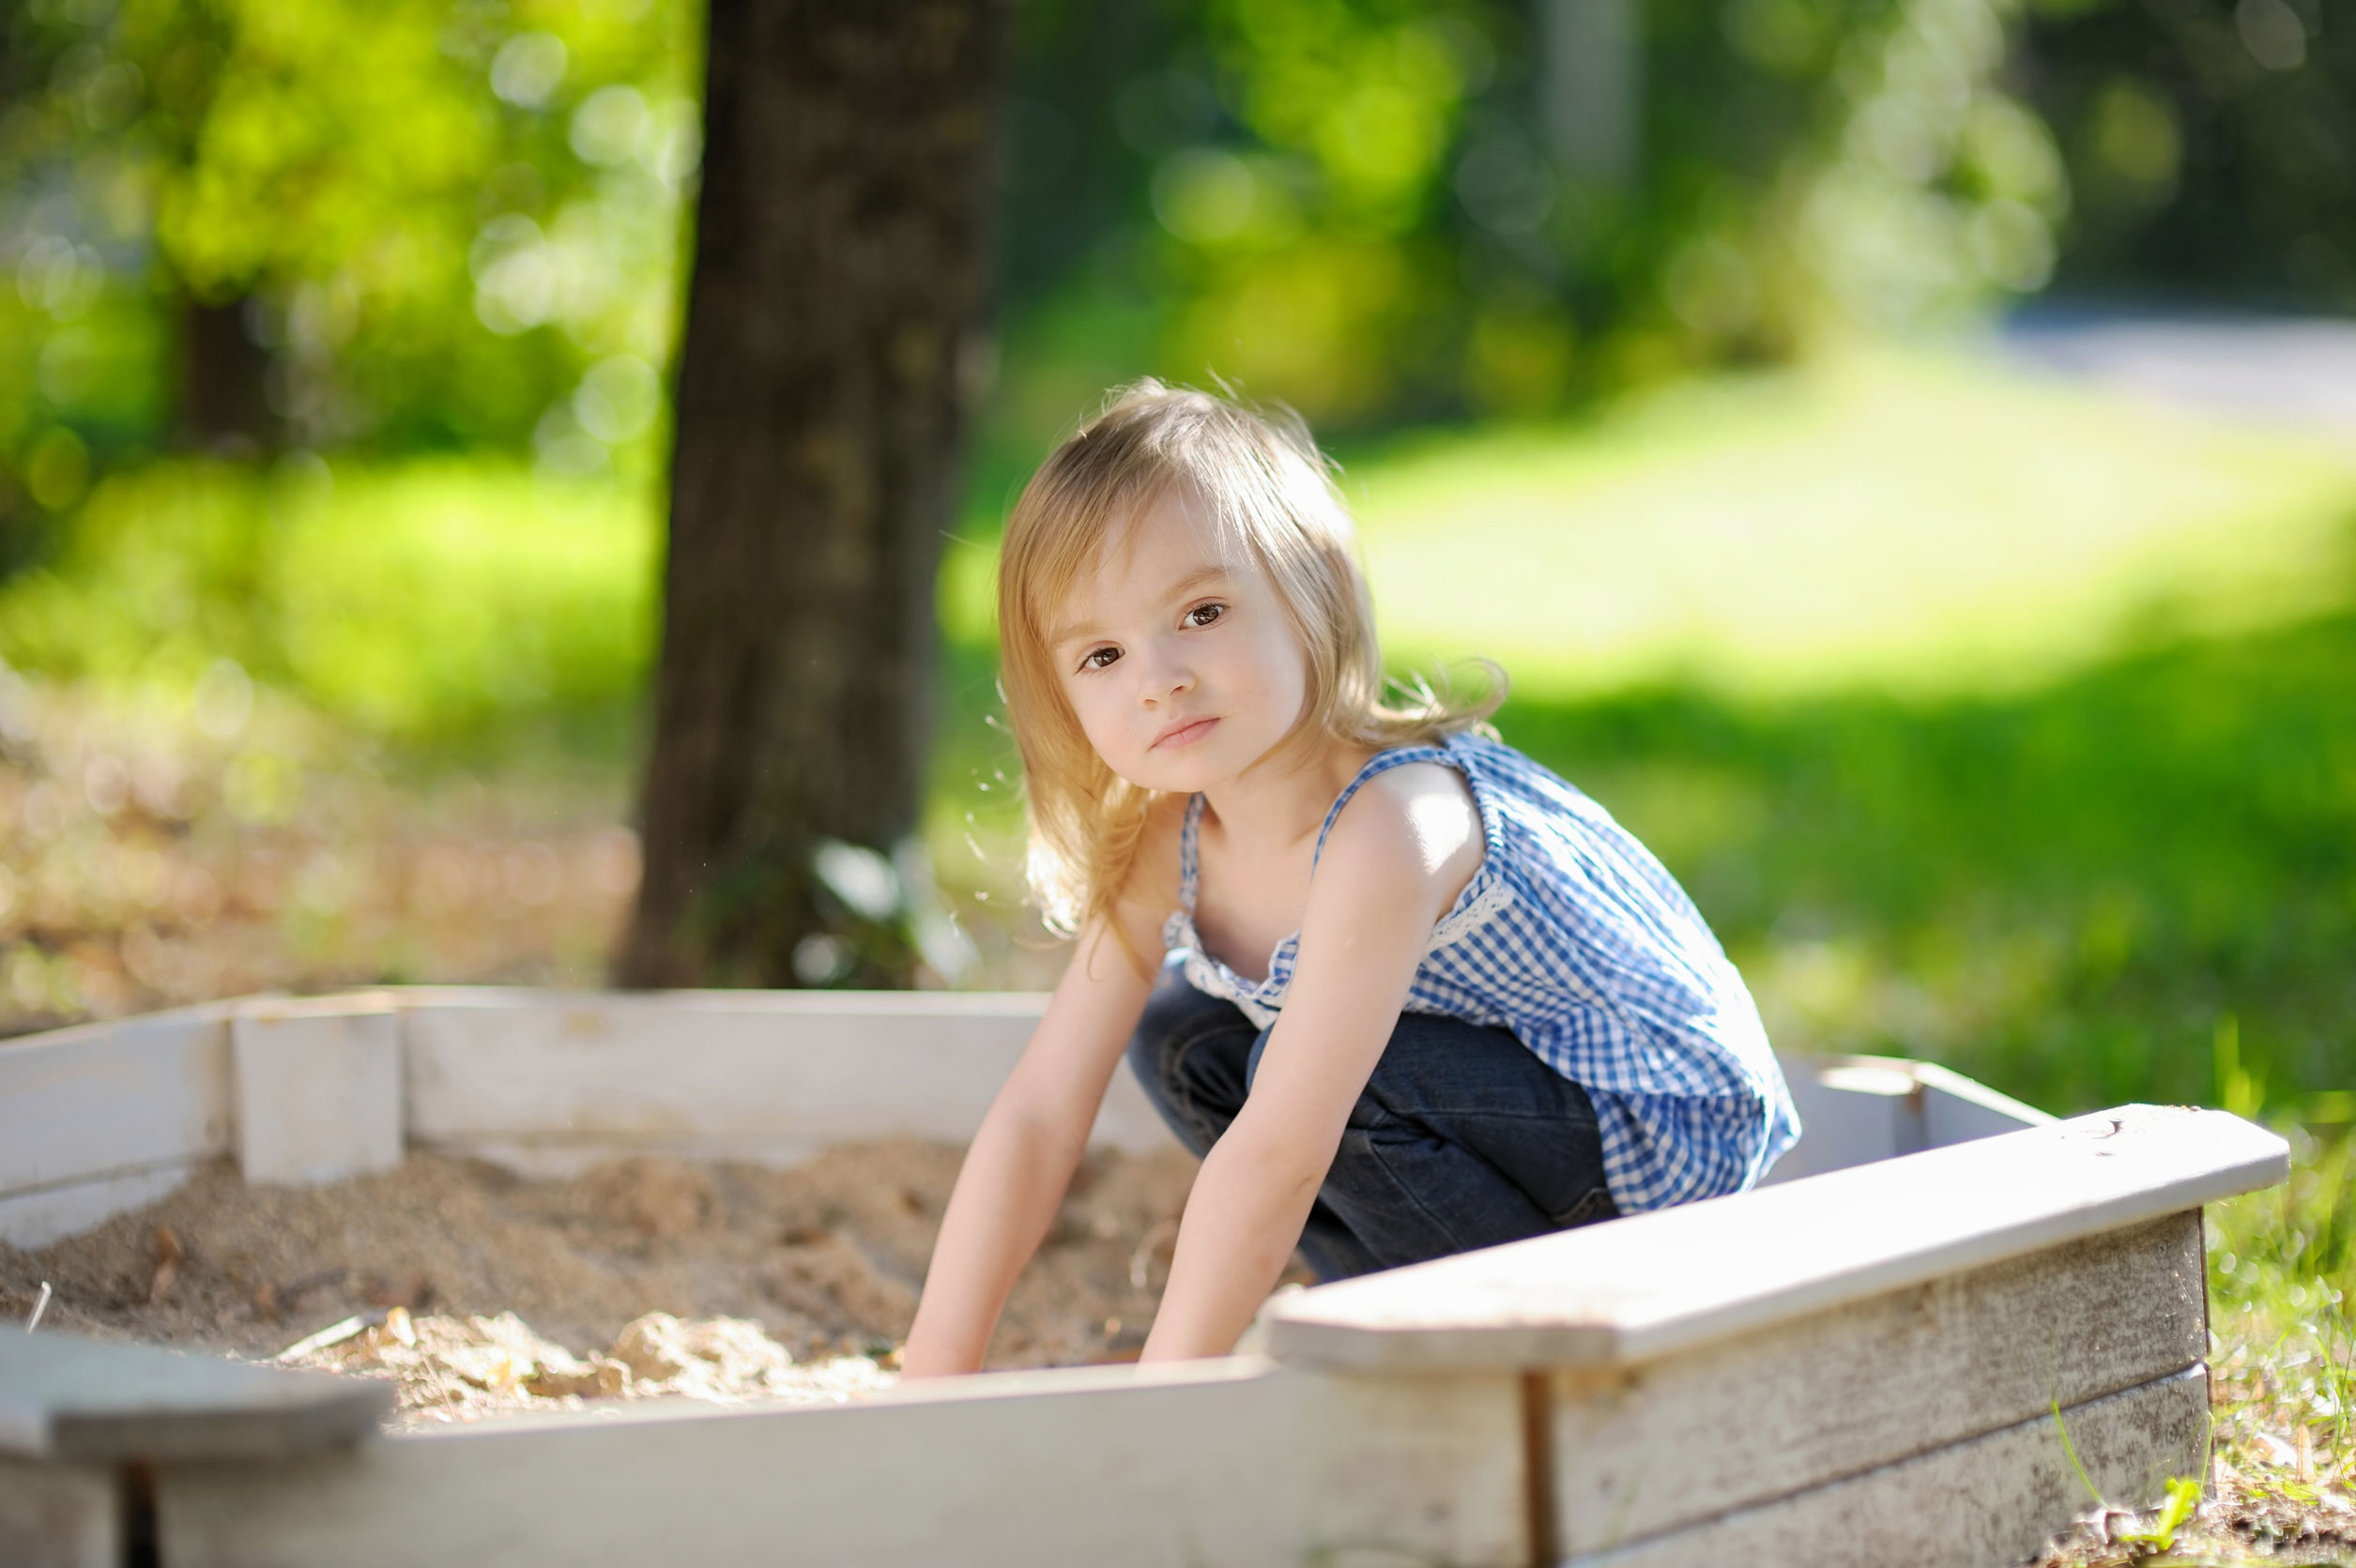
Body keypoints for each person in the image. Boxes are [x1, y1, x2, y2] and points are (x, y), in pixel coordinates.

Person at [899, 382, 1798, 1376]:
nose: (1157, 677)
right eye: (1102, 654)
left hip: (1656, 1174)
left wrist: (1161, 1397)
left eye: (1200, 612)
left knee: (1321, 1080)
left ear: (1313, 592)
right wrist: (932, 1373)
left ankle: (1512, 1334)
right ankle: (1389, 1309)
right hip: (1501, 1122)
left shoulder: (1393, 822)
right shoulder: (1171, 840)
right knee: (1182, 1040)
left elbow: (1282, 1150)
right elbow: (1038, 1110)